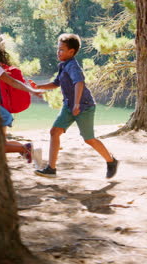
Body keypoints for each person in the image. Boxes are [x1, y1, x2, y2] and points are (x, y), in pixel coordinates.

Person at [31, 33, 119, 178]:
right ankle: (51, 169)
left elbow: (79, 83)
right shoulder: (63, 65)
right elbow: (55, 83)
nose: (58, 52)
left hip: (83, 106)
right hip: (69, 105)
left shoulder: (73, 66)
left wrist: (77, 104)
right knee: (54, 132)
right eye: (58, 49)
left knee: (89, 139)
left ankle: (111, 161)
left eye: (61, 50)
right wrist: (37, 87)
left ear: (71, 52)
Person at [0, 42, 45, 163]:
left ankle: (29, 150)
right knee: (1, 144)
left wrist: (32, 90)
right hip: (0, 111)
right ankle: (27, 149)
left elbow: (13, 82)